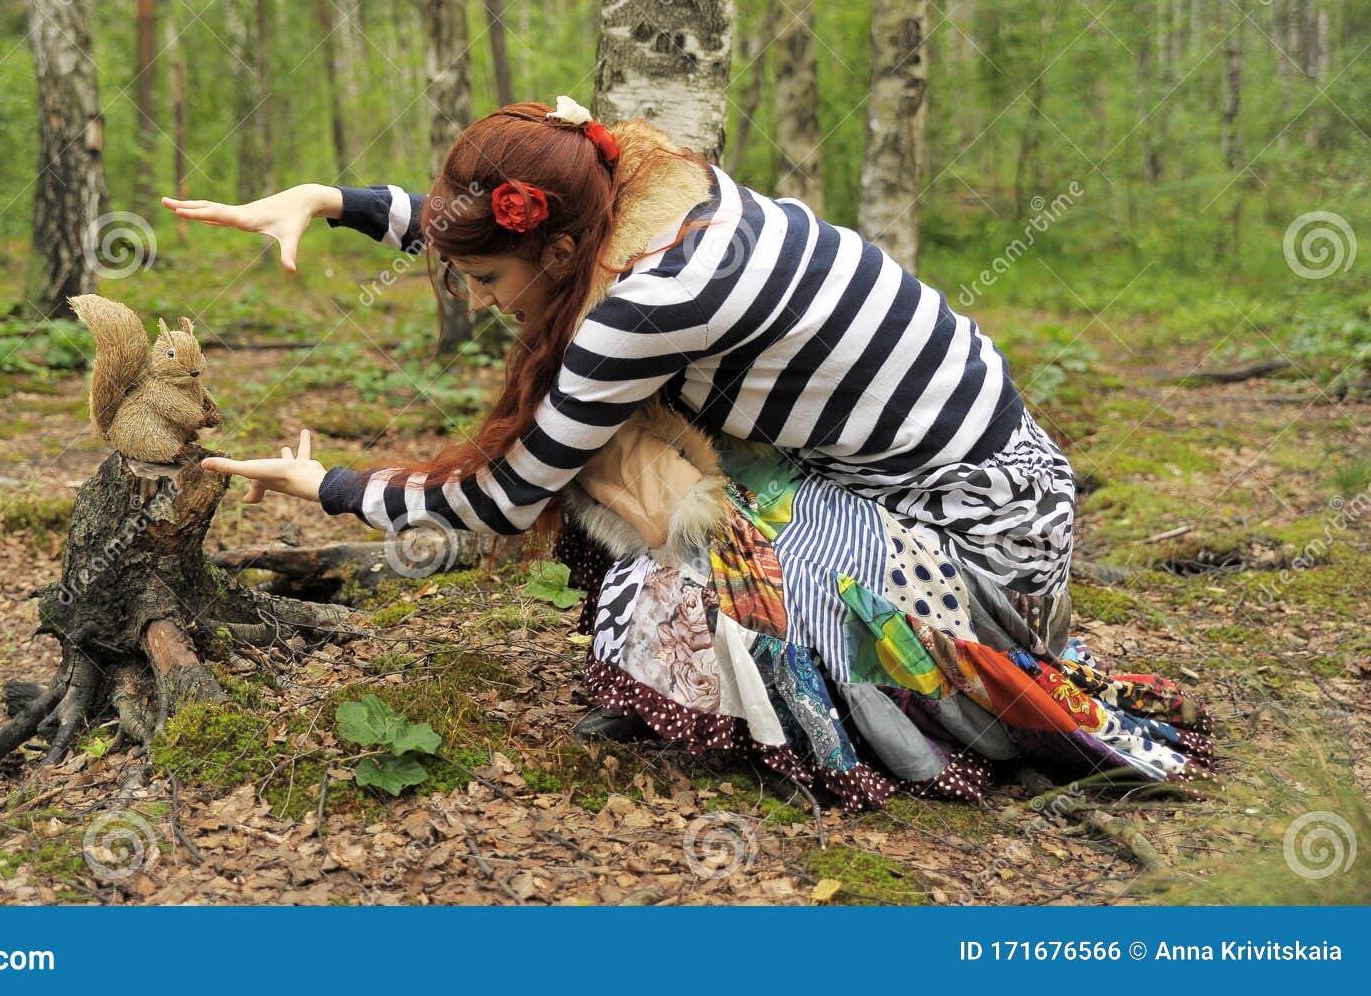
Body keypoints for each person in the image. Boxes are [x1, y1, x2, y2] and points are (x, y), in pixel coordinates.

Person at [164, 97, 1212, 809]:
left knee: (620, 474)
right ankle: (729, 668)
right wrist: (331, 203)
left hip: (984, 551)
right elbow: (492, 232)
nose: (480, 304)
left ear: (562, 249)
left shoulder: (650, 306)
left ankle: (816, 708)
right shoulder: (650, 192)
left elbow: (502, 493)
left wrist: (329, 486)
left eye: (486, 287)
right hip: (990, 493)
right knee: (627, 457)